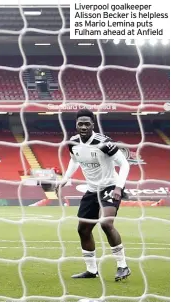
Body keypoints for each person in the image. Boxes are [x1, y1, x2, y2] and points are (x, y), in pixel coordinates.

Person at [54, 109, 131, 281]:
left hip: (110, 187)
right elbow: (74, 160)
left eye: (87, 124)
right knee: (83, 229)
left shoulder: (104, 143)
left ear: (93, 125)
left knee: (105, 224)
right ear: (76, 125)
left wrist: (119, 187)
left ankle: (122, 266)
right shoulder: (73, 143)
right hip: (91, 189)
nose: (83, 127)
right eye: (80, 124)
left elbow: (124, 164)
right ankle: (91, 270)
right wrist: (65, 178)